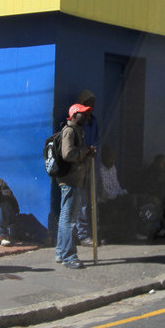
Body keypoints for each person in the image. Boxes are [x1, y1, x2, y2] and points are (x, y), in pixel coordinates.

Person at [55, 104, 97, 269]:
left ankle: (60, 252)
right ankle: (69, 257)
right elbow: (68, 154)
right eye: (83, 114)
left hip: (74, 181)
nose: (87, 117)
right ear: (73, 115)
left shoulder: (78, 131)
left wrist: (86, 152)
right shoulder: (70, 131)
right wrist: (84, 152)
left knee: (65, 219)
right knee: (69, 221)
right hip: (70, 181)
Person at [74, 89, 100, 247]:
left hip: (91, 164)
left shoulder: (94, 121)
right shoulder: (78, 121)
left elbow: (97, 139)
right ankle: (83, 235)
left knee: (92, 200)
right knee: (82, 201)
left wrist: (94, 149)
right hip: (79, 166)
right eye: (89, 104)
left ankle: (94, 232)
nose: (92, 107)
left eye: (93, 104)